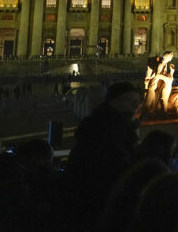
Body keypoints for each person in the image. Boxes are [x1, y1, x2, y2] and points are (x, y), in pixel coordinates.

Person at [60, 81, 141, 230]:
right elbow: (117, 167)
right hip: (97, 202)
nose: (135, 105)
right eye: (130, 101)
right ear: (114, 101)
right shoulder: (110, 128)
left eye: (137, 102)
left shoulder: (103, 122)